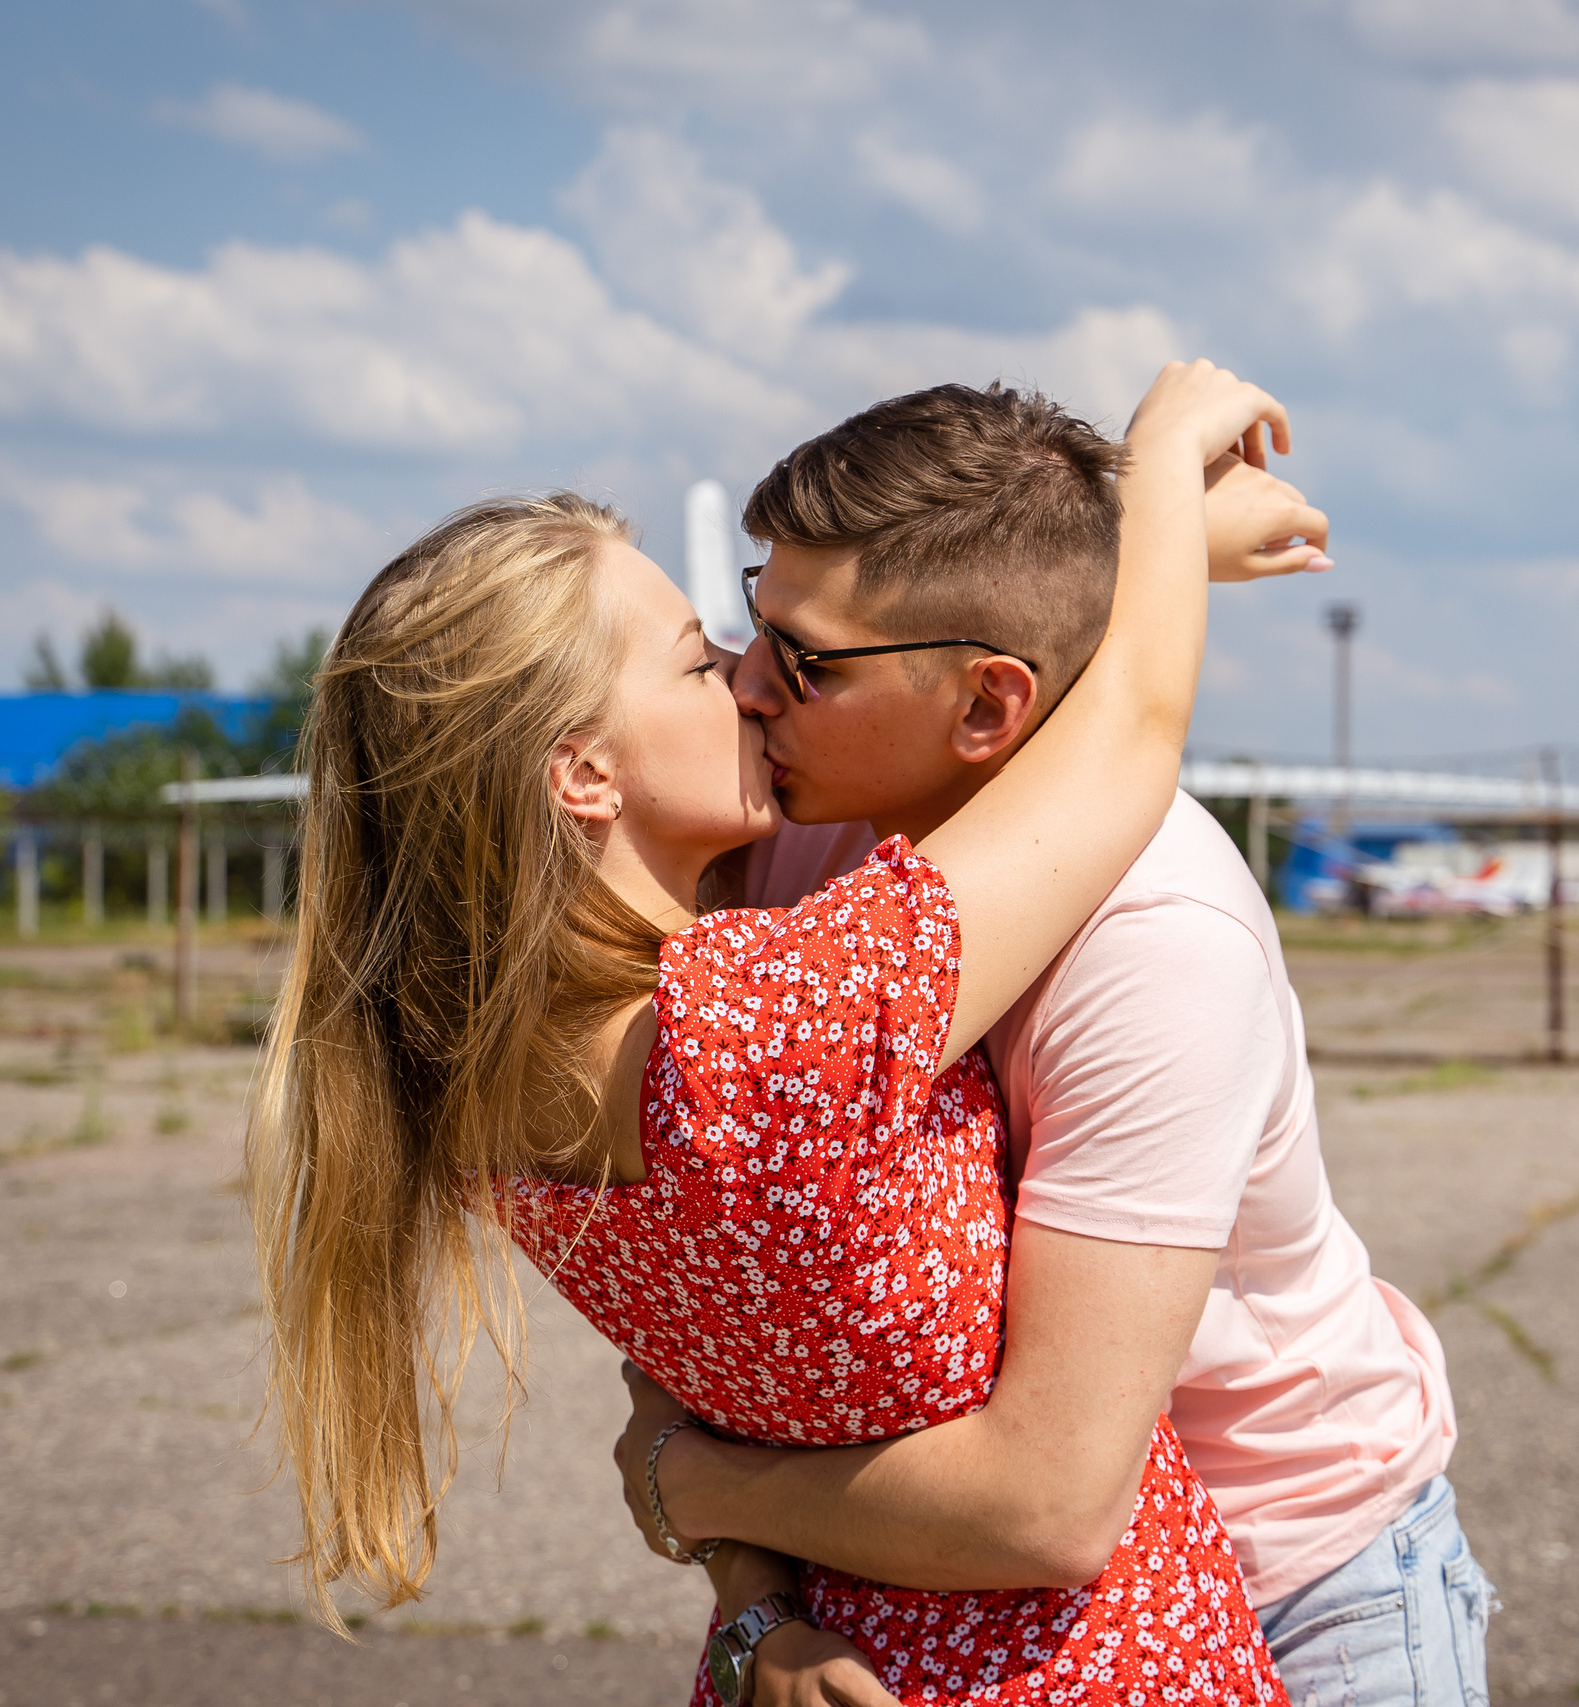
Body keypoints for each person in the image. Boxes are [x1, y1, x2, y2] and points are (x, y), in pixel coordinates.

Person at [246, 360, 1311, 1706]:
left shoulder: (467, 1085)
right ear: (584, 772)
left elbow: (701, 1381)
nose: (748, 685)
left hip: (804, 1647)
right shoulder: (766, 1023)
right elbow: (1132, 733)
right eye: (703, 660)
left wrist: (742, 1577)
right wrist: (1151, 476)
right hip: (1098, 1659)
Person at [612, 382, 1492, 1707]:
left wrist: (700, 1487)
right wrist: (756, 1599)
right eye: (752, 622)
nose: (746, 685)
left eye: (804, 661)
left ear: (988, 708)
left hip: (1293, 1584)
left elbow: (1048, 1498)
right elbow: (707, 1296)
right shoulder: (806, 837)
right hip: (965, 1589)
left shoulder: (1160, 942)